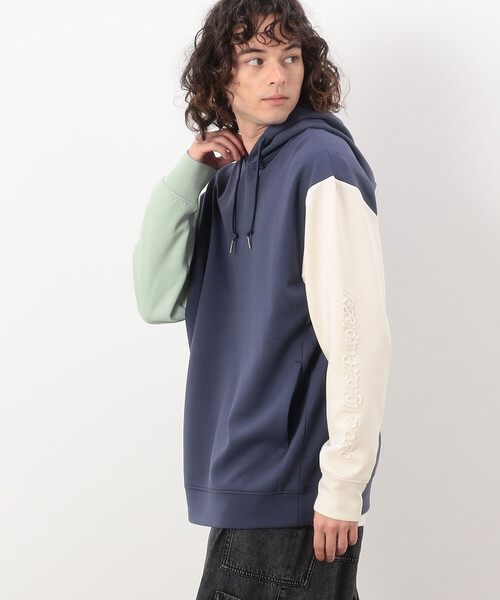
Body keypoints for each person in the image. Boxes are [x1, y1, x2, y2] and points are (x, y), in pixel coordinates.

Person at [132, 0, 392, 598]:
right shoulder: (225, 178)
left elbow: (357, 337)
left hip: (295, 493)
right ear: (220, 75)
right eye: (255, 59)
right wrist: (189, 175)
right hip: (242, 484)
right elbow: (156, 298)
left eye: (289, 57)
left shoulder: (321, 163)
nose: (278, 76)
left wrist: (343, 485)